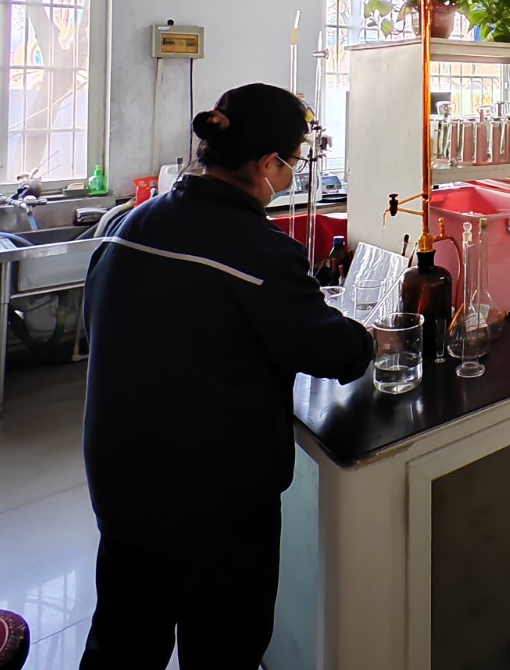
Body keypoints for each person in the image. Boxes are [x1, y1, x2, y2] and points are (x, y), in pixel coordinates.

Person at [79, 83, 374, 668]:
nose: (292, 175)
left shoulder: (126, 226)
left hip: (120, 483)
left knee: (122, 643)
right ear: (267, 164)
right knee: (224, 649)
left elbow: (111, 326)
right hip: (215, 503)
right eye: (293, 163)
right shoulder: (259, 251)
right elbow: (335, 352)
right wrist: (372, 336)